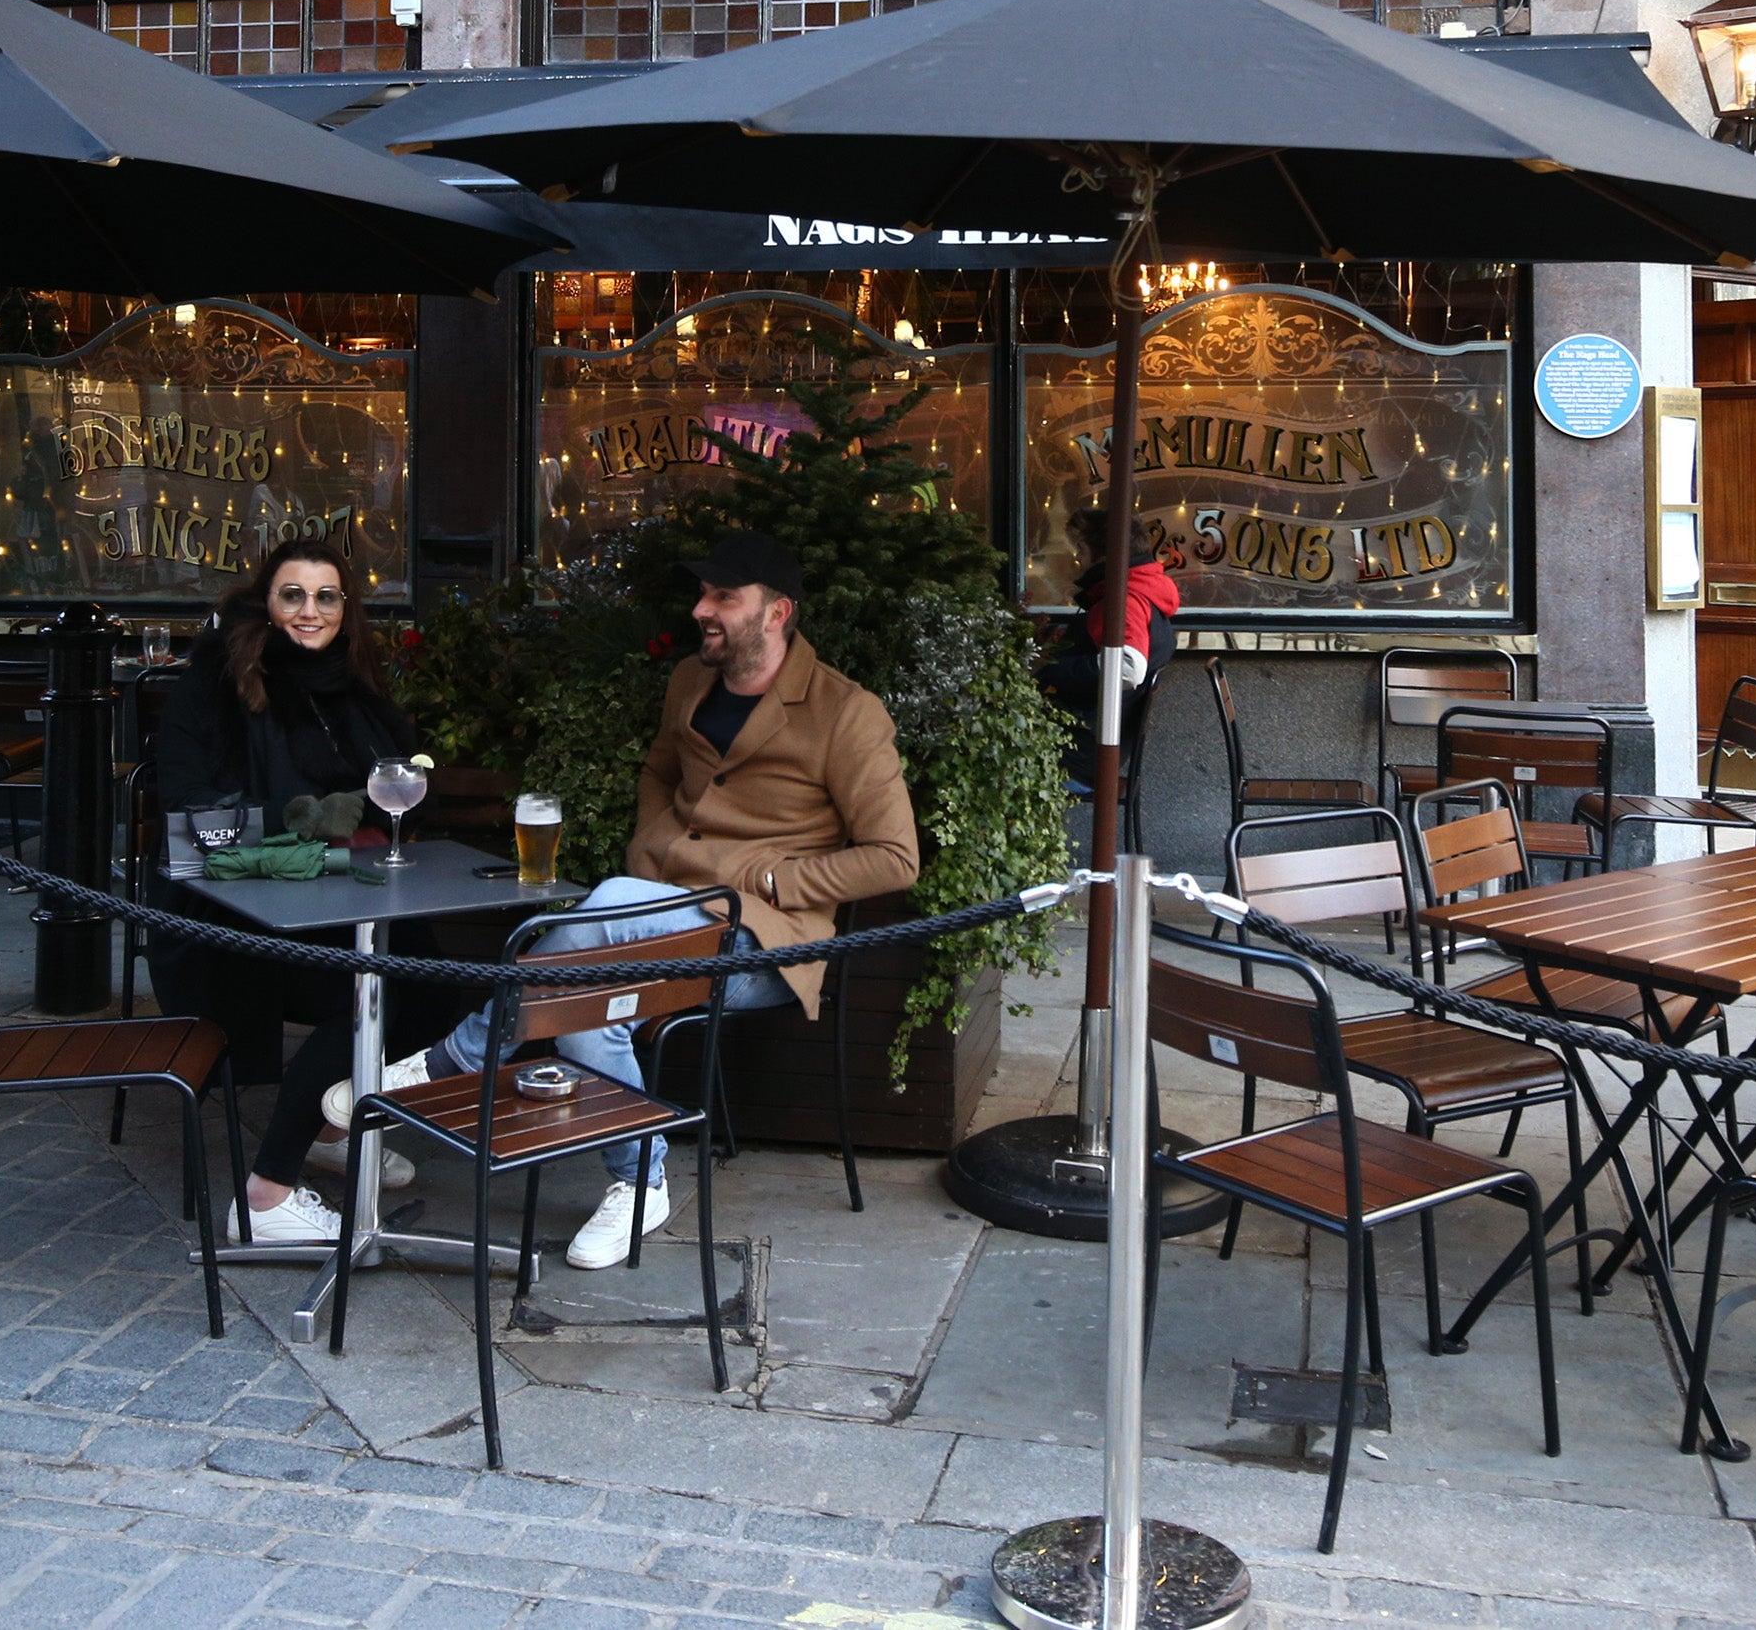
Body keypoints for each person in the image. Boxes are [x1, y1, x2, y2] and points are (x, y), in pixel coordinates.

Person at [326, 528, 920, 1268]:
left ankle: (450, 1063)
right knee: (594, 984)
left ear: (776, 612)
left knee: (597, 926)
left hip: (765, 940)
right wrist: (651, 848)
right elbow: (657, 771)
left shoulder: (845, 712)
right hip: (659, 913)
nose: (702, 608)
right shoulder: (689, 683)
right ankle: (641, 1181)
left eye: (723, 597)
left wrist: (772, 879)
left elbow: (895, 859)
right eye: (702, 593)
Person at [146, 536, 468, 1247]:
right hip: (226, 917)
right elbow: (195, 825)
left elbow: (397, 797)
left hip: (334, 907)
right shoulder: (218, 678)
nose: (309, 611)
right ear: (267, 599)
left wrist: (380, 824)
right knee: (376, 987)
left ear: (345, 607)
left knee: (439, 986)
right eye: (293, 593)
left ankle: (326, 1123)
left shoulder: (348, 683)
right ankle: (266, 1195)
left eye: (326, 595)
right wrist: (307, 837)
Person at [1037, 506, 1179, 743]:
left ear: (1105, 555)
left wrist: (1048, 669)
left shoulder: (1124, 600)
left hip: (1083, 744)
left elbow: (1128, 668)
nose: (1078, 559)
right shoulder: (1141, 590)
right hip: (1100, 734)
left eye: (1081, 549)